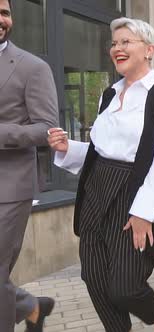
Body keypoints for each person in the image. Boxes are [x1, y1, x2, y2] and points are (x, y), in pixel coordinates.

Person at [47, 17, 154, 331]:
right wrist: (65, 147)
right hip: (96, 190)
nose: (117, 48)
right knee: (94, 279)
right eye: (114, 43)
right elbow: (99, 151)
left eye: (126, 42)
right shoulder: (108, 94)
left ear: (149, 50)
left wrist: (144, 212)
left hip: (132, 194)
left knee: (124, 287)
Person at [0, 0, 57, 330]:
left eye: (5, 12)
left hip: (9, 187)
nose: (1, 19)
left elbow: (46, 129)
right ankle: (32, 307)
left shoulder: (33, 67)